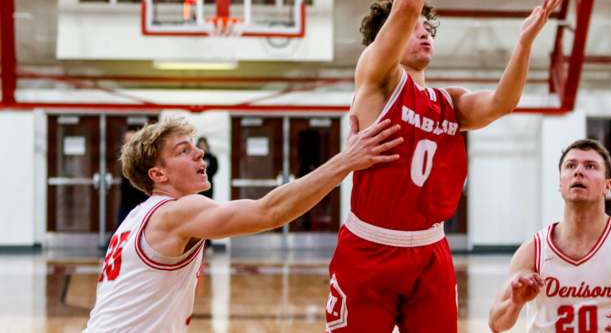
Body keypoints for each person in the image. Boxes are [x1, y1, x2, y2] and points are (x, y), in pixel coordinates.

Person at [325, 0, 564, 333]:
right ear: (386, 39)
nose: (425, 33)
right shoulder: (377, 80)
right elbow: (409, 2)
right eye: (415, 29)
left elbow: (501, 104)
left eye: (429, 29)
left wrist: (523, 44)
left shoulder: (446, 102)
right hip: (370, 247)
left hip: (431, 250)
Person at [85, 116, 401, 332]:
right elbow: (270, 212)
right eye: (184, 151)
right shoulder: (176, 212)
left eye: (196, 146)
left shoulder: (137, 216)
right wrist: (346, 160)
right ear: (158, 175)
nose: (200, 153)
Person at [489, 139, 611, 333]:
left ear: (608, 185)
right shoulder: (534, 250)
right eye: (570, 165)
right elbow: (496, 323)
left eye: (590, 166)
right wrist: (515, 302)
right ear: (560, 183)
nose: (578, 171)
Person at [116, 127, 148, 229]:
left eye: (132, 140)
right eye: (127, 141)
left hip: (142, 199)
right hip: (127, 201)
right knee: (123, 226)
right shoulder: (124, 158)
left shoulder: (144, 157)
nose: (129, 144)